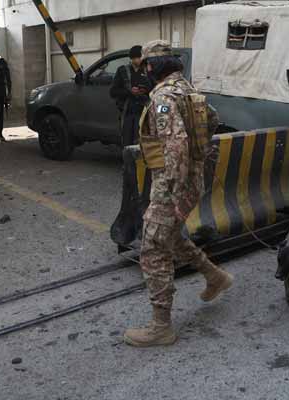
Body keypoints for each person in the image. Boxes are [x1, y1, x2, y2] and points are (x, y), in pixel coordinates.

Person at [123, 40, 233, 348]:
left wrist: (172, 189)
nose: (144, 70)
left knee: (153, 247)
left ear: (150, 67)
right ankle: (214, 276)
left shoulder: (163, 97)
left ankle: (161, 327)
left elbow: (175, 145)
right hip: (191, 178)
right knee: (168, 236)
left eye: (145, 65)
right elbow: (212, 120)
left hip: (173, 183)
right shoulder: (188, 90)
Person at [110, 45, 153, 146]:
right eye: (139, 57)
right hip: (127, 113)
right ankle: (128, 161)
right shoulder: (122, 71)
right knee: (127, 143)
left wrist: (145, 91)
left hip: (143, 113)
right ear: (133, 58)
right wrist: (130, 92)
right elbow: (113, 92)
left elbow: (154, 89)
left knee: (141, 143)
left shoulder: (148, 71)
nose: (141, 60)